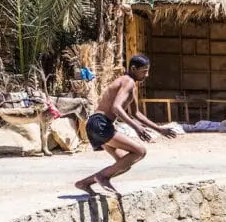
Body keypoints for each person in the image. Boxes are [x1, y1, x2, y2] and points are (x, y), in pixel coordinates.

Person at [74, 55, 178, 196]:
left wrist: (159, 129)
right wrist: (136, 128)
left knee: (124, 164)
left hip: (98, 124)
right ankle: (102, 177)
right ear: (133, 69)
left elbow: (136, 113)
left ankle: (85, 183)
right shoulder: (127, 82)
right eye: (144, 71)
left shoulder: (131, 85)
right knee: (140, 151)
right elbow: (116, 107)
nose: (147, 75)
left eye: (148, 71)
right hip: (100, 124)